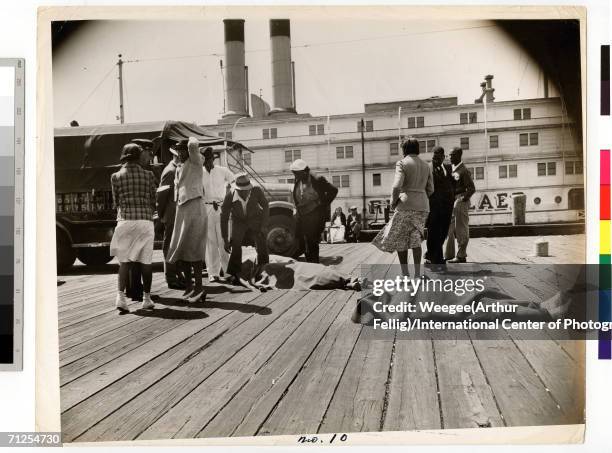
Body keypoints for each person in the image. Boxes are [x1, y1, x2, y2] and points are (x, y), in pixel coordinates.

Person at [372, 138, 433, 278]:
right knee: (416, 238)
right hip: (422, 205)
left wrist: (394, 202)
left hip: (405, 204)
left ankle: (405, 274)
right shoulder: (426, 165)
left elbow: (396, 185)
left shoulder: (402, 163)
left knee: (401, 240)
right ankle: (418, 274)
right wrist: (421, 196)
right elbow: (431, 189)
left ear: (404, 150)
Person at [109, 143, 157, 311]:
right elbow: (153, 199)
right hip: (145, 221)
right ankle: (147, 298)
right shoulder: (149, 175)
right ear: (138, 157)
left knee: (124, 262)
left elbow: (116, 203)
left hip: (125, 221)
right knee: (146, 262)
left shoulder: (115, 176)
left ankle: (121, 298)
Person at [167, 137, 208, 303]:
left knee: (195, 248)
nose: (181, 152)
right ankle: (190, 286)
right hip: (182, 209)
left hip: (195, 207)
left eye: (183, 150)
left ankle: (199, 287)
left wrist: (188, 137)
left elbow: (193, 146)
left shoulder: (196, 162)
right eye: (179, 150)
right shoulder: (179, 166)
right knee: (182, 248)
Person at [221, 173, 270, 284]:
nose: (244, 192)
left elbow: (266, 206)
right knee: (236, 245)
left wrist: (263, 226)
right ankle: (235, 274)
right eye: (241, 190)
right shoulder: (229, 195)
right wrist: (225, 239)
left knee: (261, 243)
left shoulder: (257, 190)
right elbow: (224, 218)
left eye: (246, 190)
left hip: (255, 219)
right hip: (238, 221)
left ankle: (264, 270)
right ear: (236, 189)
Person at [290, 159, 338, 263]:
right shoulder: (299, 178)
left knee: (312, 243)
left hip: (315, 217)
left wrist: (321, 204)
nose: (295, 176)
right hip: (302, 216)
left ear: (303, 172)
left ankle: (314, 265)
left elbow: (334, 190)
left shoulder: (317, 179)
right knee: (302, 242)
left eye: (296, 174)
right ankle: (309, 263)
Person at [201, 146, 234, 282]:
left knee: (223, 240)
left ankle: (227, 272)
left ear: (213, 159)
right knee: (210, 242)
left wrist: (229, 195)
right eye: (205, 160)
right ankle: (213, 273)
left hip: (221, 208)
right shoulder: (198, 173)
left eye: (209, 159)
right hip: (206, 208)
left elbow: (234, 182)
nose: (208, 162)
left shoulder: (222, 171)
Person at [157, 143, 185, 289]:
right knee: (169, 246)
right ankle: (171, 277)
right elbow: (161, 196)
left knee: (177, 246)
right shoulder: (170, 171)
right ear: (176, 155)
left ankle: (178, 275)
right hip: (171, 214)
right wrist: (162, 214)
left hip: (177, 214)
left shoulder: (177, 169)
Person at [444, 146, 475, 263]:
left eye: (452, 155)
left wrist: (462, 198)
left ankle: (461, 255)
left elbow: (472, 188)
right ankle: (449, 255)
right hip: (452, 202)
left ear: (458, 156)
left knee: (461, 229)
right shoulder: (453, 169)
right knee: (449, 229)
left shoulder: (463, 170)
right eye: (449, 155)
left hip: (460, 201)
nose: (449, 157)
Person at [425, 146, 454, 268]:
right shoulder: (428, 168)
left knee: (442, 232)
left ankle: (434, 255)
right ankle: (433, 257)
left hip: (447, 207)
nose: (436, 159)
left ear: (443, 157)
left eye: (438, 157)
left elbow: (451, 183)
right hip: (433, 206)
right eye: (434, 157)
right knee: (433, 232)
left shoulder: (448, 167)